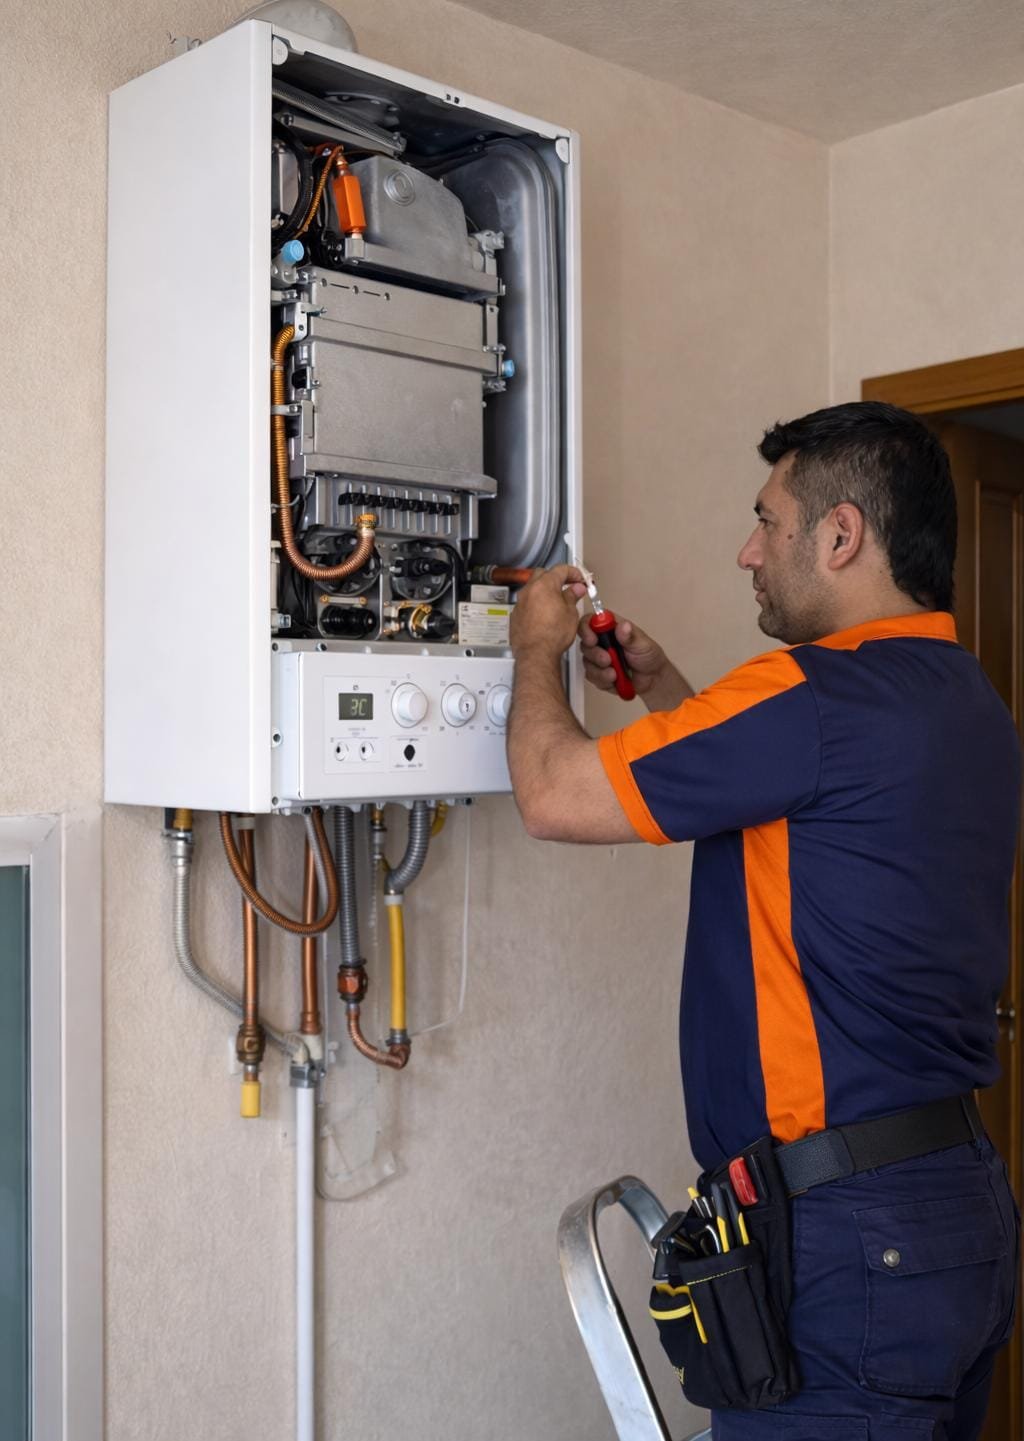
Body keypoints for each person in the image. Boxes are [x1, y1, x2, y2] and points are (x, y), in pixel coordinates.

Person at [507, 402, 1021, 1440]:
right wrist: (665, 693)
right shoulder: (966, 699)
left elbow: (553, 795)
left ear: (840, 535)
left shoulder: (806, 695)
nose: (749, 551)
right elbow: (799, 811)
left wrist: (532, 650)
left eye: (767, 521)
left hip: (844, 1241)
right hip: (954, 1211)